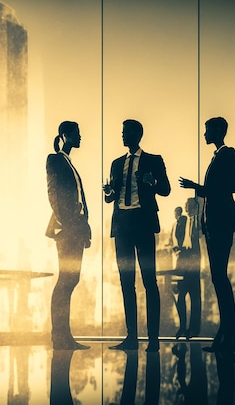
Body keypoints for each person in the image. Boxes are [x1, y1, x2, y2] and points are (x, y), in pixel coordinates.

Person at [103, 119, 171, 353]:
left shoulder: (154, 160)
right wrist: (109, 193)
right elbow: (111, 196)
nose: (122, 135)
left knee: (149, 282)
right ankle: (131, 337)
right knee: (126, 282)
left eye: (126, 132)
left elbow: (166, 189)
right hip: (122, 227)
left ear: (137, 135)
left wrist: (151, 182)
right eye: (121, 132)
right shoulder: (116, 163)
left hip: (143, 224)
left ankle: (153, 340)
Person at [179, 116, 235, 353]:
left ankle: (228, 330)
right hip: (214, 225)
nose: (204, 133)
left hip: (221, 224)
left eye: (207, 130)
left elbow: (234, 186)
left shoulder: (227, 154)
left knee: (219, 277)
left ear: (218, 131)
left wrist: (197, 187)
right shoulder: (218, 156)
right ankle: (229, 329)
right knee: (218, 277)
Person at [45, 121, 91, 350]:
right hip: (67, 230)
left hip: (76, 229)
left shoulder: (69, 163)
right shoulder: (55, 160)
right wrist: (66, 223)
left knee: (71, 280)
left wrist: (84, 227)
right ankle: (59, 336)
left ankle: (64, 335)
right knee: (65, 280)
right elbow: (53, 194)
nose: (80, 137)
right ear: (65, 135)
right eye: (77, 133)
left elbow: (79, 198)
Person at [174, 197, 202, 339]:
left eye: (191, 206)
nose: (189, 209)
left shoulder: (197, 221)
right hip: (184, 258)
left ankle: (193, 329)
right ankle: (183, 327)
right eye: (188, 206)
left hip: (194, 260)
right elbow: (179, 237)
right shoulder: (183, 221)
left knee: (194, 296)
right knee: (181, 296)